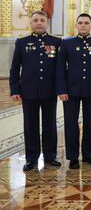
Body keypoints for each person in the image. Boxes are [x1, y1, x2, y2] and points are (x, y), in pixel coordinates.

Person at [9, 11, 62, 171]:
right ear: (30, 23)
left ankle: (50, 156)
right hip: (28, 91)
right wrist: (14, 90)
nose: (39, 23)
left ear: (47, 23)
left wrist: (60, 89)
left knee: (50, 125)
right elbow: (14, 69)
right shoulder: (22, 42)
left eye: (42, 20)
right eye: (36, 20)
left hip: (49, 90)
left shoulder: (56, 42)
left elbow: (60, 69)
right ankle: (31, 158)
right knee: (30, 125)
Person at [56, 13, 91, 169]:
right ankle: (73, 157)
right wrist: (61, 90)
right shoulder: (67, 43)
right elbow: (60, 69)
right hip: (71, 90)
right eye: (80, 23)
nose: (83, 25)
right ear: (76, 25)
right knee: (71, 124)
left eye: (86, 23)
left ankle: (89, 155)